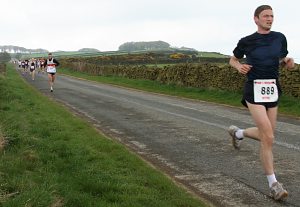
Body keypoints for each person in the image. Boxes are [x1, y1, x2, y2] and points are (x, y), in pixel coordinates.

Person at [228, 5, 294, 201]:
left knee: (268, 136)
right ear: (256, 19)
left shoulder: (279, 38)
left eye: (272, 16)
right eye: (266, 16)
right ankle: (273, 184)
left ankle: (238, 133)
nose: (270, 19)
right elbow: (233, 59)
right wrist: (239, 66)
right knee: (268, 136)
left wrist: (288, 63)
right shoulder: (247, 41)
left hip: (272, 89)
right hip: (254, 89)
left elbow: (280, 60)